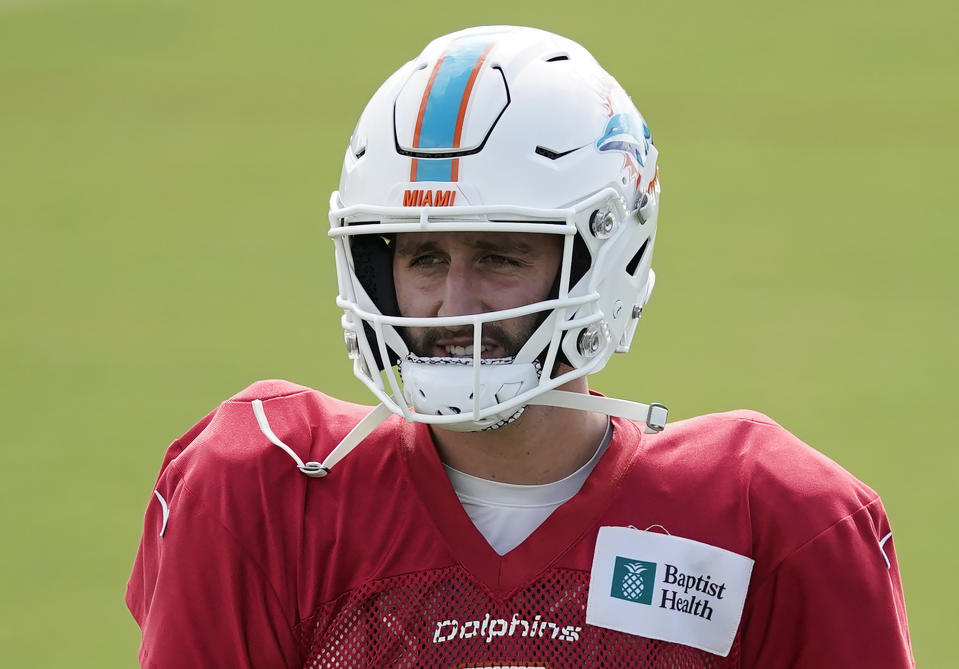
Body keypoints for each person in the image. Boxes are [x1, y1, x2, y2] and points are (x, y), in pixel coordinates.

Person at [126, 26, 914, 668]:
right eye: (422, 258)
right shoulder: (266, 493)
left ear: (607, 259)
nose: (451, 305)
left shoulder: (770, 518)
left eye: (500, 257)